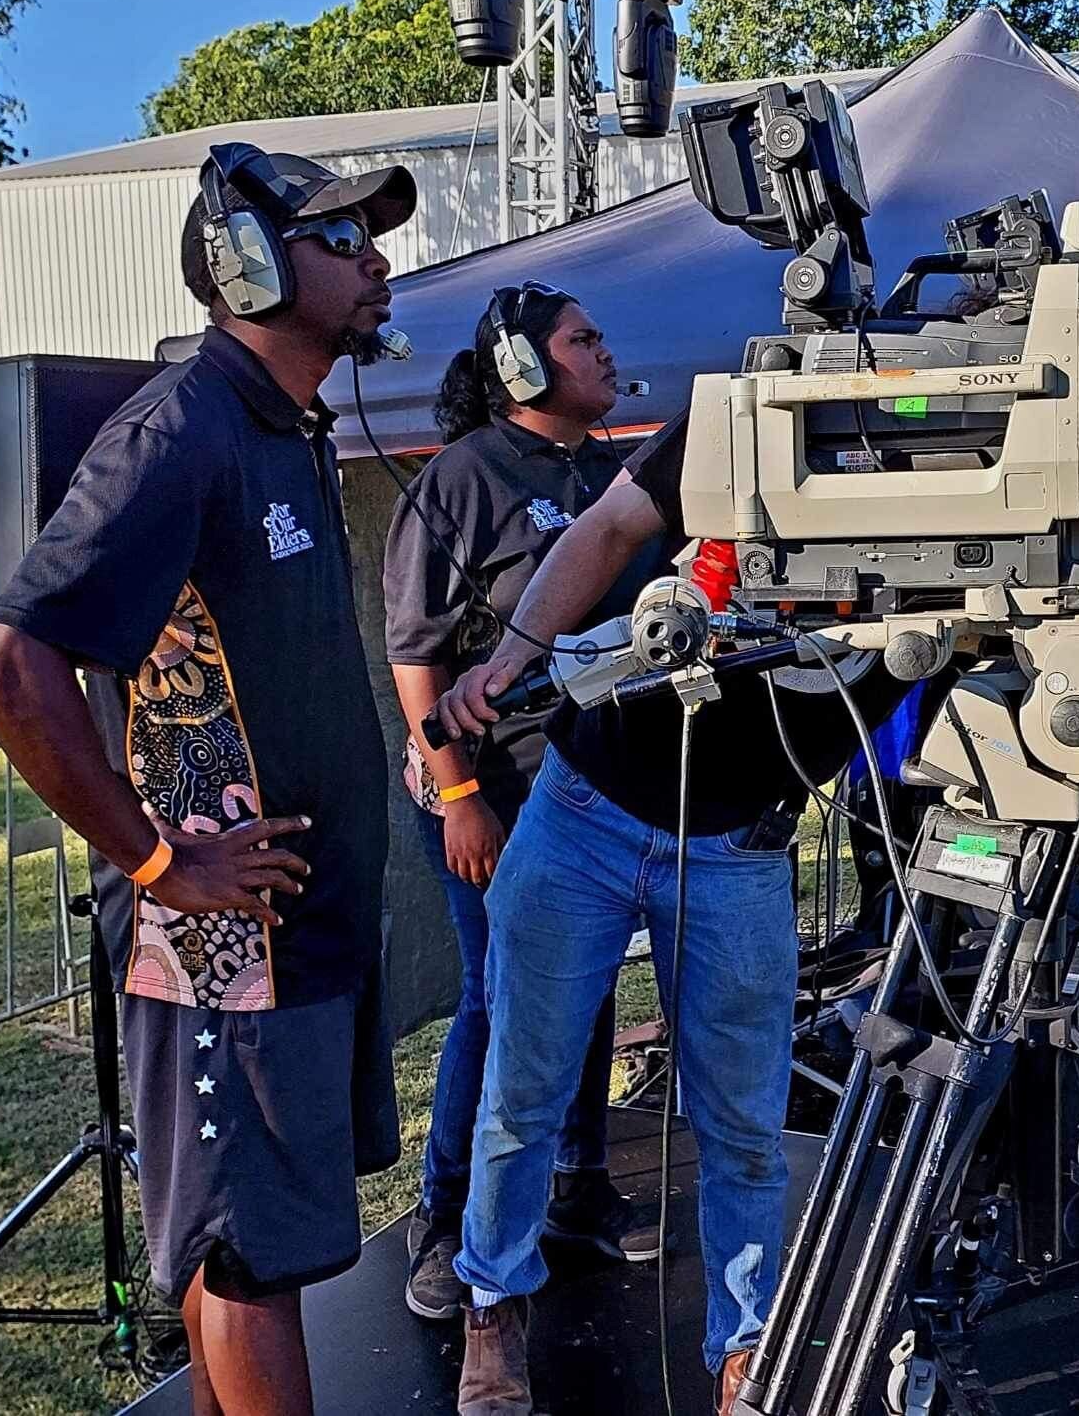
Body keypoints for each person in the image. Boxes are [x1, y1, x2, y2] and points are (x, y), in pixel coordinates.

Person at [0, 143, 415, 1416]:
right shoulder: (180, 430)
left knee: (245, 1246)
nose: (378, 260)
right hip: (221, 942)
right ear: (247, 264)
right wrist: (161, 861)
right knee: (248, 1258)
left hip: (296, 930)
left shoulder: (288, 427)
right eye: (342, 240)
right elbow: (7, 669)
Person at [431, 410, 912, 1416]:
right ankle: (492, 1297)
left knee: (740, 1124)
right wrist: (510, 656)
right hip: (583, 806)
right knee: (526, 1085)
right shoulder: (757, 412)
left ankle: (742, 1350)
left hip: (741, 849)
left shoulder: (1039, 486)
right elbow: (608, 527)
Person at [383, 283, 663, 1322]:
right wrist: (458, 794)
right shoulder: (457, 479)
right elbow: (414, 658)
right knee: (501, 997)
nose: (602, 351)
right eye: (582, 338)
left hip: (589, 782)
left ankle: (575, 1190)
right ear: (520, 364)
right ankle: (446, 1222)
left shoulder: (607, 473)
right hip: (487, 787)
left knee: (583, 992)